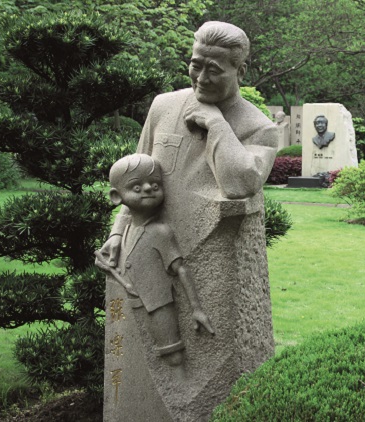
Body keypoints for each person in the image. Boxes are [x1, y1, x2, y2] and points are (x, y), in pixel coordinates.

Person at [98, 20, 277, 266]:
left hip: (214, 260)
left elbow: (239, 184)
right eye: (196, 66)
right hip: (153, 252)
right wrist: (119, 232)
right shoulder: (163, 106)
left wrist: (216, 124)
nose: (202, 79)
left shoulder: (259, 128)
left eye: (214, 70)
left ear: (241, 72)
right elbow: (136, 177)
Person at [97, 154, 215, 367]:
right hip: (136, 303)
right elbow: (128, 264)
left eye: (155, 184)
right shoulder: (126, 232)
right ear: (117, 196)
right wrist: (107, 266)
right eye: (136, 187)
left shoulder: (160, 232)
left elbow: (181, 270)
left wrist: (196, 309)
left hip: (160, 305)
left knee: (173, 356)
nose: (149, 189)